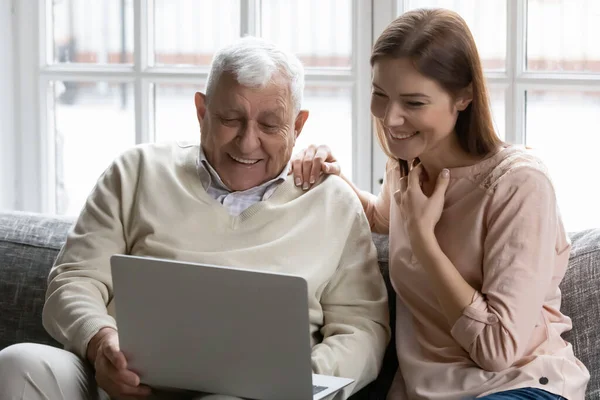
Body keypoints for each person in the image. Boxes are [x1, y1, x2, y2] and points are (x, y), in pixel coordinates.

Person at [0, 36, 390, 400]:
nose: (248, 141)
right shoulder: (136, 172)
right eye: (230, 119)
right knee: (20, 364)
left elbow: (363, 327)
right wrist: (101, 342)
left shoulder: (333, 203)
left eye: (270, 125)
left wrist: (298, 379)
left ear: (298, 125)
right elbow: (74, 279)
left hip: (252, 395)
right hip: (120, 380)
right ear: (201, 112)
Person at [291, 8, 589, 400]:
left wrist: (423, 241)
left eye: (413, 103)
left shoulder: (519, 184)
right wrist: (329, 174)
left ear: (463, 96)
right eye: (380, 95)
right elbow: (381, 217)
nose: (391, 118)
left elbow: (497, 351)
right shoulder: (408, 164)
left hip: (518, 386)